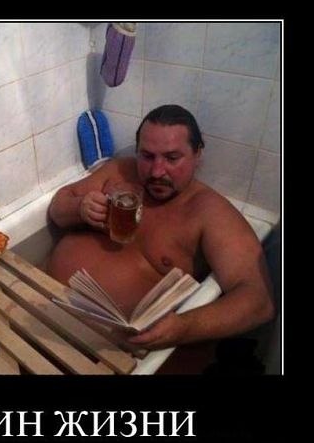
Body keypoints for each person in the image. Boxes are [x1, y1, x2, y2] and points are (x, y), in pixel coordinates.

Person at [47, 104, 275, 351]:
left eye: (172, 158)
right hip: (41, 298)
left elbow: (258, 301)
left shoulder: (209, 213)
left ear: (197, 154)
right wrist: (80, 208)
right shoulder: (120, 171)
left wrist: (185, 327)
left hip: (107, 347)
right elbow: (58, 210)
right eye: (147, 156)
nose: (157, 171)